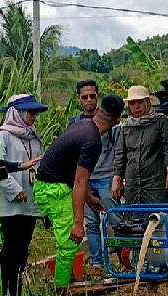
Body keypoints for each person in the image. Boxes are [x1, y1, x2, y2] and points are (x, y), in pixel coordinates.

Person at [34, 94, 125, 286]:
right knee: (70, 240)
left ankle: (68, 278)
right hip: (53, 189)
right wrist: (78, 222)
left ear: (98, 110)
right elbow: (80, 181)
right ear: (118, 120)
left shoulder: (82, 126)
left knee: (67, 240)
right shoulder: (93, 141)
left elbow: (74, 173)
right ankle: (61, 289)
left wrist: (90, 198)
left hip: (50, 184)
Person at [67, 80, 123, 274]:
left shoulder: (111, 120)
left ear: (97, 96)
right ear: (79, 99)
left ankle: (126, 255)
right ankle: (97, 263)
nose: (89, 100)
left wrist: (118, 176)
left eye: (92, 95)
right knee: (91, 223)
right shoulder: (74, 123)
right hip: (86, 180)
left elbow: (119, 150)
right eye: (85, 97)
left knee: (114, 217)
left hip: (107, 176)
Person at [0, 94, 46, 296]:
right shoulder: (3, 135)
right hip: (10, 203)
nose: (34, 116)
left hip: (31, 201)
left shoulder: (34, 136)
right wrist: (14, 189)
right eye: (30, 112)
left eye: (35, 112)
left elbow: (39, 166)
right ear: (16, 112)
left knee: (23, 249)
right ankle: (4, 292)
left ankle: (17, 293)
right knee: (10, 248)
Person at [112, 85, 168, 204]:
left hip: (155, 181)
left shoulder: (159, 121)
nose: (136, 106)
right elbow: (120, 154)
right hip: (133, 183)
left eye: (140, 102)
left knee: (158, 217)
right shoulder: (126, 127)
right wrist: (117, 178)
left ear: (147, 103)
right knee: (133, 218)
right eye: (132, 103)